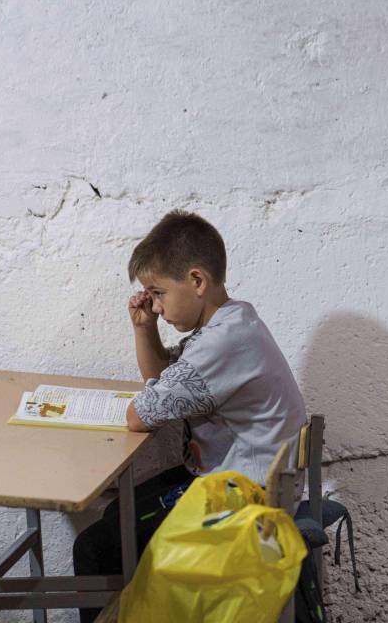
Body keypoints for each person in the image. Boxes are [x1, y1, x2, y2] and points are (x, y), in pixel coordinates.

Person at [73, 210, 307, 623]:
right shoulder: (234, 320)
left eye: (158, 293)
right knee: (117, 514)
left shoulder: (223, 343)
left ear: (197, 281)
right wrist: (144, 329)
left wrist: (147, 397)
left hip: (248, 499)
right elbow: (164, 376)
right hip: (243, 478)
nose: (156, 306)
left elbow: (140, 415)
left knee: (96, 545)